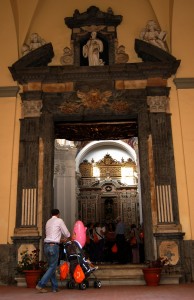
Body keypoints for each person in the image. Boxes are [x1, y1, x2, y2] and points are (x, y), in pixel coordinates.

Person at [36, 209, 70, 293]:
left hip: (46, 246)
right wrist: (68, 236)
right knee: (52, 267)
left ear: (51, 214)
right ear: (58, 214)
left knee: (51, 266)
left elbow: (51, 235)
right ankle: (40, 285)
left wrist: (60, 240)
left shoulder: (48, 221)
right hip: (53, 247)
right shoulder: (59, 220)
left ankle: (55, 287)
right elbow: (66, 233)